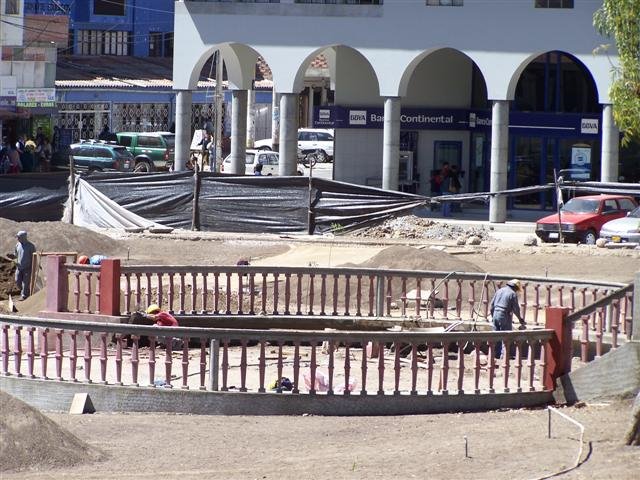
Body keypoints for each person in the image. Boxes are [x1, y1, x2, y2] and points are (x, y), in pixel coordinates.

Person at [490, 279, 526, 359]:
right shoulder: (512, 294)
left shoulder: (499, 291)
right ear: (515, 288)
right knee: (506, 336)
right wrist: (520, 319)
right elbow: (516, 309)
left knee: (496, 336)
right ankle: (503, 356)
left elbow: (491, 305)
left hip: (495, 314)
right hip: (504, 315)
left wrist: (493, 317)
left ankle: (495, 355)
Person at [14, 231, 36, 300]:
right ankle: (24, 292)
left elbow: (34, 256)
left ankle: (24, 295)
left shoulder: (31, 246)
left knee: (25, 283)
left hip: (27, 268)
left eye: (19, 237)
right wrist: (13, 258)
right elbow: (15, 255)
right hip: (19, 267)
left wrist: (34, 266)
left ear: (23, 237)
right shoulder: (17, 245)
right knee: (17, 281)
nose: (17, 238)